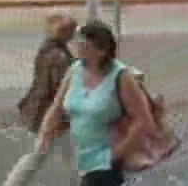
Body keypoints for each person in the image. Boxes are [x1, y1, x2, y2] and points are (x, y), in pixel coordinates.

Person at [37, 21, 155, 186]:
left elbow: (144, 120)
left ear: (102, 51)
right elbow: (56, 107)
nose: (79, 51)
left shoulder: (120, 77)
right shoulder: (76, 70)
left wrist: (116, 153)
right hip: (81, 158)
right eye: (79, 46)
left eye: (86, 47)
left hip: (106, 165)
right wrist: (44, 135)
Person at [6, 13, 79, 186]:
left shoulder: (46, 49)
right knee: (38, 155)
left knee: (62, 154)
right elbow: (61, 87)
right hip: (51, 114)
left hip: (41, 109)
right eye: (72, 31)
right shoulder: (59, 57)